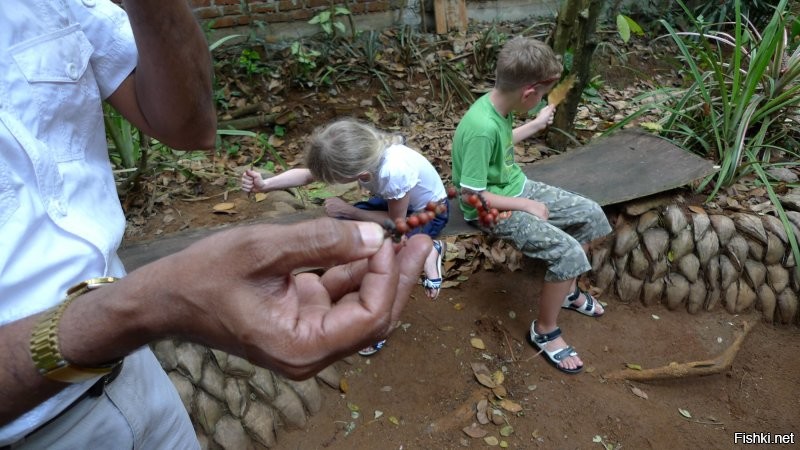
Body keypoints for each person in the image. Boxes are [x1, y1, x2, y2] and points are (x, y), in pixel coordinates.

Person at [0, 1, 430, 448]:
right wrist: (141, 307)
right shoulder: (372, 165)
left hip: (131, 373)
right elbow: (309, 178)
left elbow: (191, 127)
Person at [451, 36, 612, 374]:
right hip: (489, 209)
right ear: (528, 93)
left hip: (514, 186)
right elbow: (470, 195)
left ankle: (566, 292)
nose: (539, 101)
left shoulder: (499, 105)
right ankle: (544, 331)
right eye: (539, 95)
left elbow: (501, 143)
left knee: (591, 215)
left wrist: (534, 126)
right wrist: (525, 205)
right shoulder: (480, 128)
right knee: (569, 253)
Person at [242, 118, 450, 355]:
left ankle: (427, 251)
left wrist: (350, 211)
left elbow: (397, 226)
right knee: (342, 226)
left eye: (334, 179)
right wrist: (265, 184)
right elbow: (310, 175)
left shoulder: (393, 172)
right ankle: (414, 252)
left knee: (391, 253)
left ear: (360, 174)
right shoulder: (364, 152)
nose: (327, 182)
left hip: (429, 213)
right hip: (396, 203)